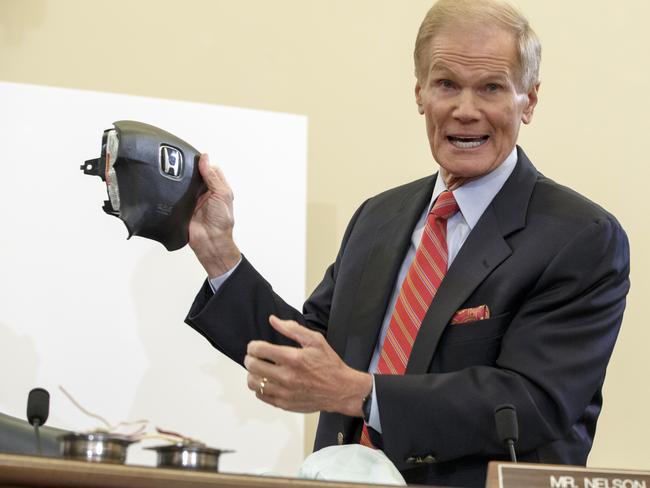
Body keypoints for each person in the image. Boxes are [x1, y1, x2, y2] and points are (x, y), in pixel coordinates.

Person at [184, 0, 630, 486]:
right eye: (446, 85)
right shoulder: (378, 217)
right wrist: (219, 252)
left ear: (530, 101)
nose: (466, 110)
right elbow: (310, 357)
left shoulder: (580, 238)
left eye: (491, 88)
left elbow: (532, 401)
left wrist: (361, 394)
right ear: (420, 94)